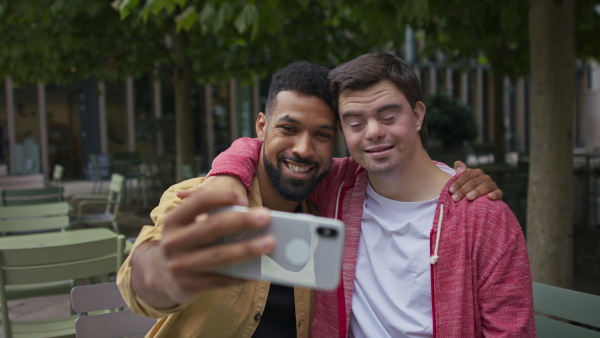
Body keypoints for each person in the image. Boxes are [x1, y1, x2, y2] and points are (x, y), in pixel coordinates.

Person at [118, 60, 501, 337]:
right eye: (288, 128)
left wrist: (458, 180)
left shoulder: (331, 203)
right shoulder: (206, 199)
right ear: (261, 126)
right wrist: (160, 275)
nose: (303, 149)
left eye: (321, 134)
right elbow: (143, 278)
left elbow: (399, 166)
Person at [206, 53, 535, 337]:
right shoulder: (336, 185)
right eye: (355, 122)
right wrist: (227, 176)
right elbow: (269, 150)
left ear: (418, 115)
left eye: (389, 117)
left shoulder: (483, 218)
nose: (374, 131)